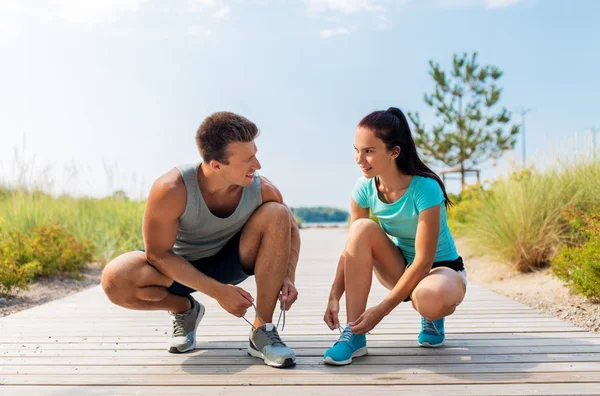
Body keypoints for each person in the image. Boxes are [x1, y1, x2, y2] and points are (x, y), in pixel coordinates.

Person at [101, 111, 300, 368]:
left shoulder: (262, 188)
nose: (258, 166)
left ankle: (262, 331)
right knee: (114, 279)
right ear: (216, 165)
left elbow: (290, 228)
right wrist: (218, 293)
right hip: (178, 266)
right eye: (247, 160)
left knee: (277, 213)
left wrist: (288, 275)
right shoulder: (171, 189)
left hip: (233, 260)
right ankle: (185, 309)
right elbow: (158, 254)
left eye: (255, 154)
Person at [322, 107, 467, 366]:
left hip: (441, 269)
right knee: (360, 229)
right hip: (400, 268)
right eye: (356, 149)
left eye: (369, 151)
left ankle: (433, 317)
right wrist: (335, 294)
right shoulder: (364, 189)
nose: (359, 158)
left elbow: (424, 261)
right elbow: (352, 248)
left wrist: (381, 310)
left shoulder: (425, 188)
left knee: (428, 299)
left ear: (394, 152)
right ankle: (354, 335)